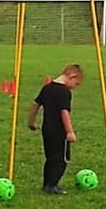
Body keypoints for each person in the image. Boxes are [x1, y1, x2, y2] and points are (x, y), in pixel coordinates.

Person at [29, 64, 83, 194]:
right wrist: (69, 131)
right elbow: (64, 112)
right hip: (59, 132)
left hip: (46, 129)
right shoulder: (64, 92)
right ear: (72, 76)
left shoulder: (47, 88)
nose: (75, 87)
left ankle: (47, 184)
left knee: (50, 158)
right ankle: (52, 185)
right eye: (76, 83)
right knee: (61, 160)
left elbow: (35, 104)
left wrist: (31, 122)